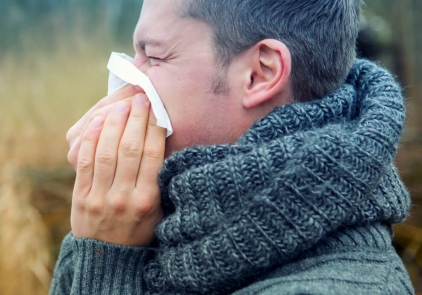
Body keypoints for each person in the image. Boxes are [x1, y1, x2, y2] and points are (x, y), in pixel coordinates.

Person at [50, 0, 415, 294]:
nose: (129, 81)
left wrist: (107, 262)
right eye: (135, 54)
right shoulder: (171, 219)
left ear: (261, 74)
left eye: (155, 57)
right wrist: (101, 226)